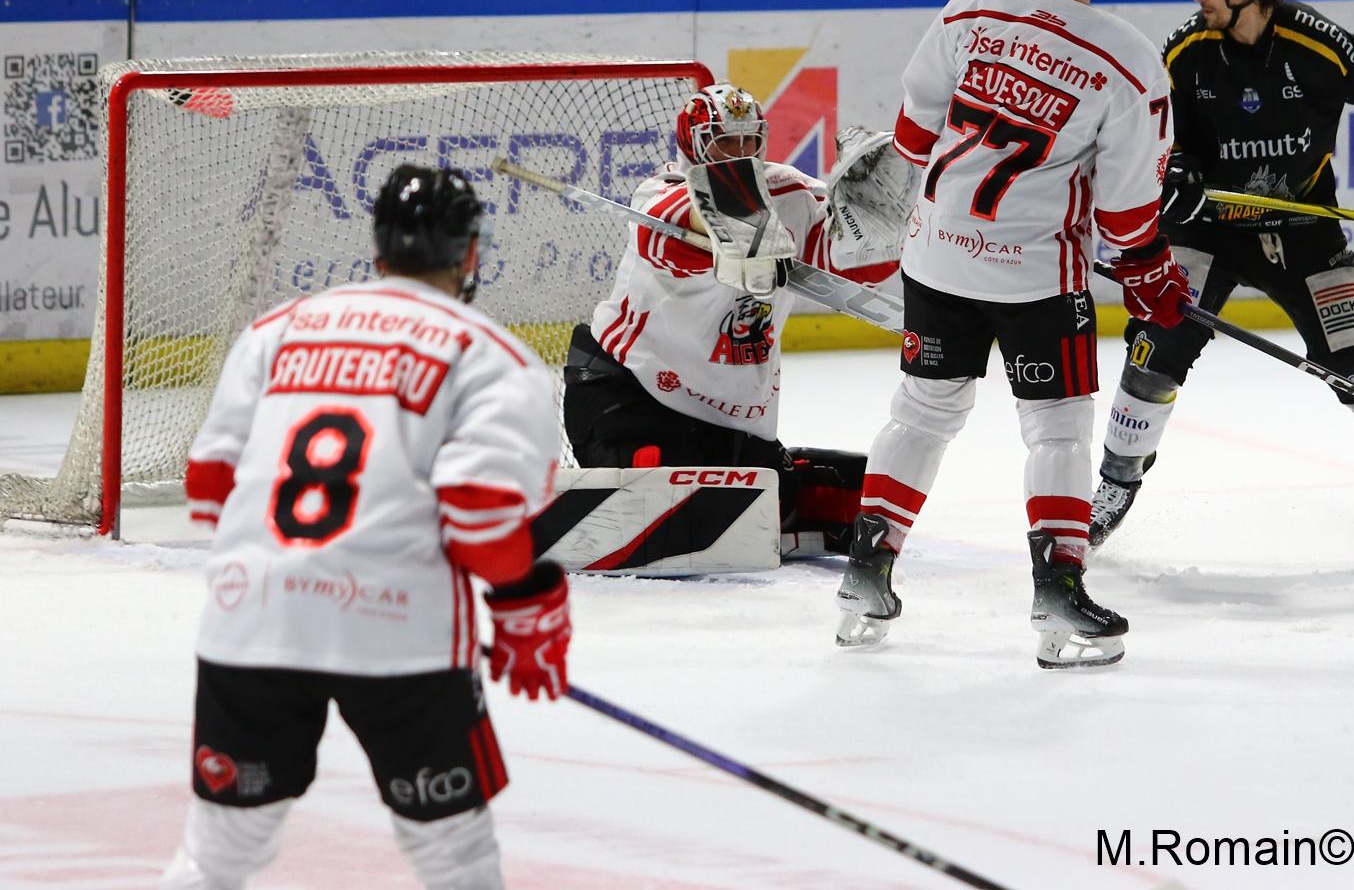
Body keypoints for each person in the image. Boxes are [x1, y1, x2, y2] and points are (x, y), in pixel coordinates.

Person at [162, 165, 571, 889]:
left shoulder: (277, 330)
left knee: (217, 856)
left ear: (377, 248)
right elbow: (480, 518)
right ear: (471, 253)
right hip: (399, 635)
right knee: (454, 855)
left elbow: (210, 486)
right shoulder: (493, 358)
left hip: (251, 619)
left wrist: (287, 575)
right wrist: (524, 600)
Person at [831, 0, 1189, 671]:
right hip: (1034, 277)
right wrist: (1150, 272)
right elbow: (1128, 213)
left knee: (922, 412)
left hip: (936, 256)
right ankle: (1058, 587)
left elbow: (913, 137)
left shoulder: (973, 11)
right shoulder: (1131, 64)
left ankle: (865, 571)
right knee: (1057, 427)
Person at [1090, 0, 1354, 552]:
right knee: (1155, 350)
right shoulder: (1185, 51)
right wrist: (1173, 168)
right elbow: (1149, 132)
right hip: (1206, 229)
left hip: (1302, 229)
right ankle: (1115, 482)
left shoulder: (1317, 45)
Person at [561, 84, 901, 555]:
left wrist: (877, 222)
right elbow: (677, 229)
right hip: (629, 398)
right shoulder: (661, 192)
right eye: (723, 142)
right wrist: (735, 226)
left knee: (840, 499)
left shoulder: (791, 194)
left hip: (725, 420)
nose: (739, 152)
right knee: (674, 505)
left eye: (749, 140)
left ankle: (779, 485)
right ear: (692, 146)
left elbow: (849, 267)